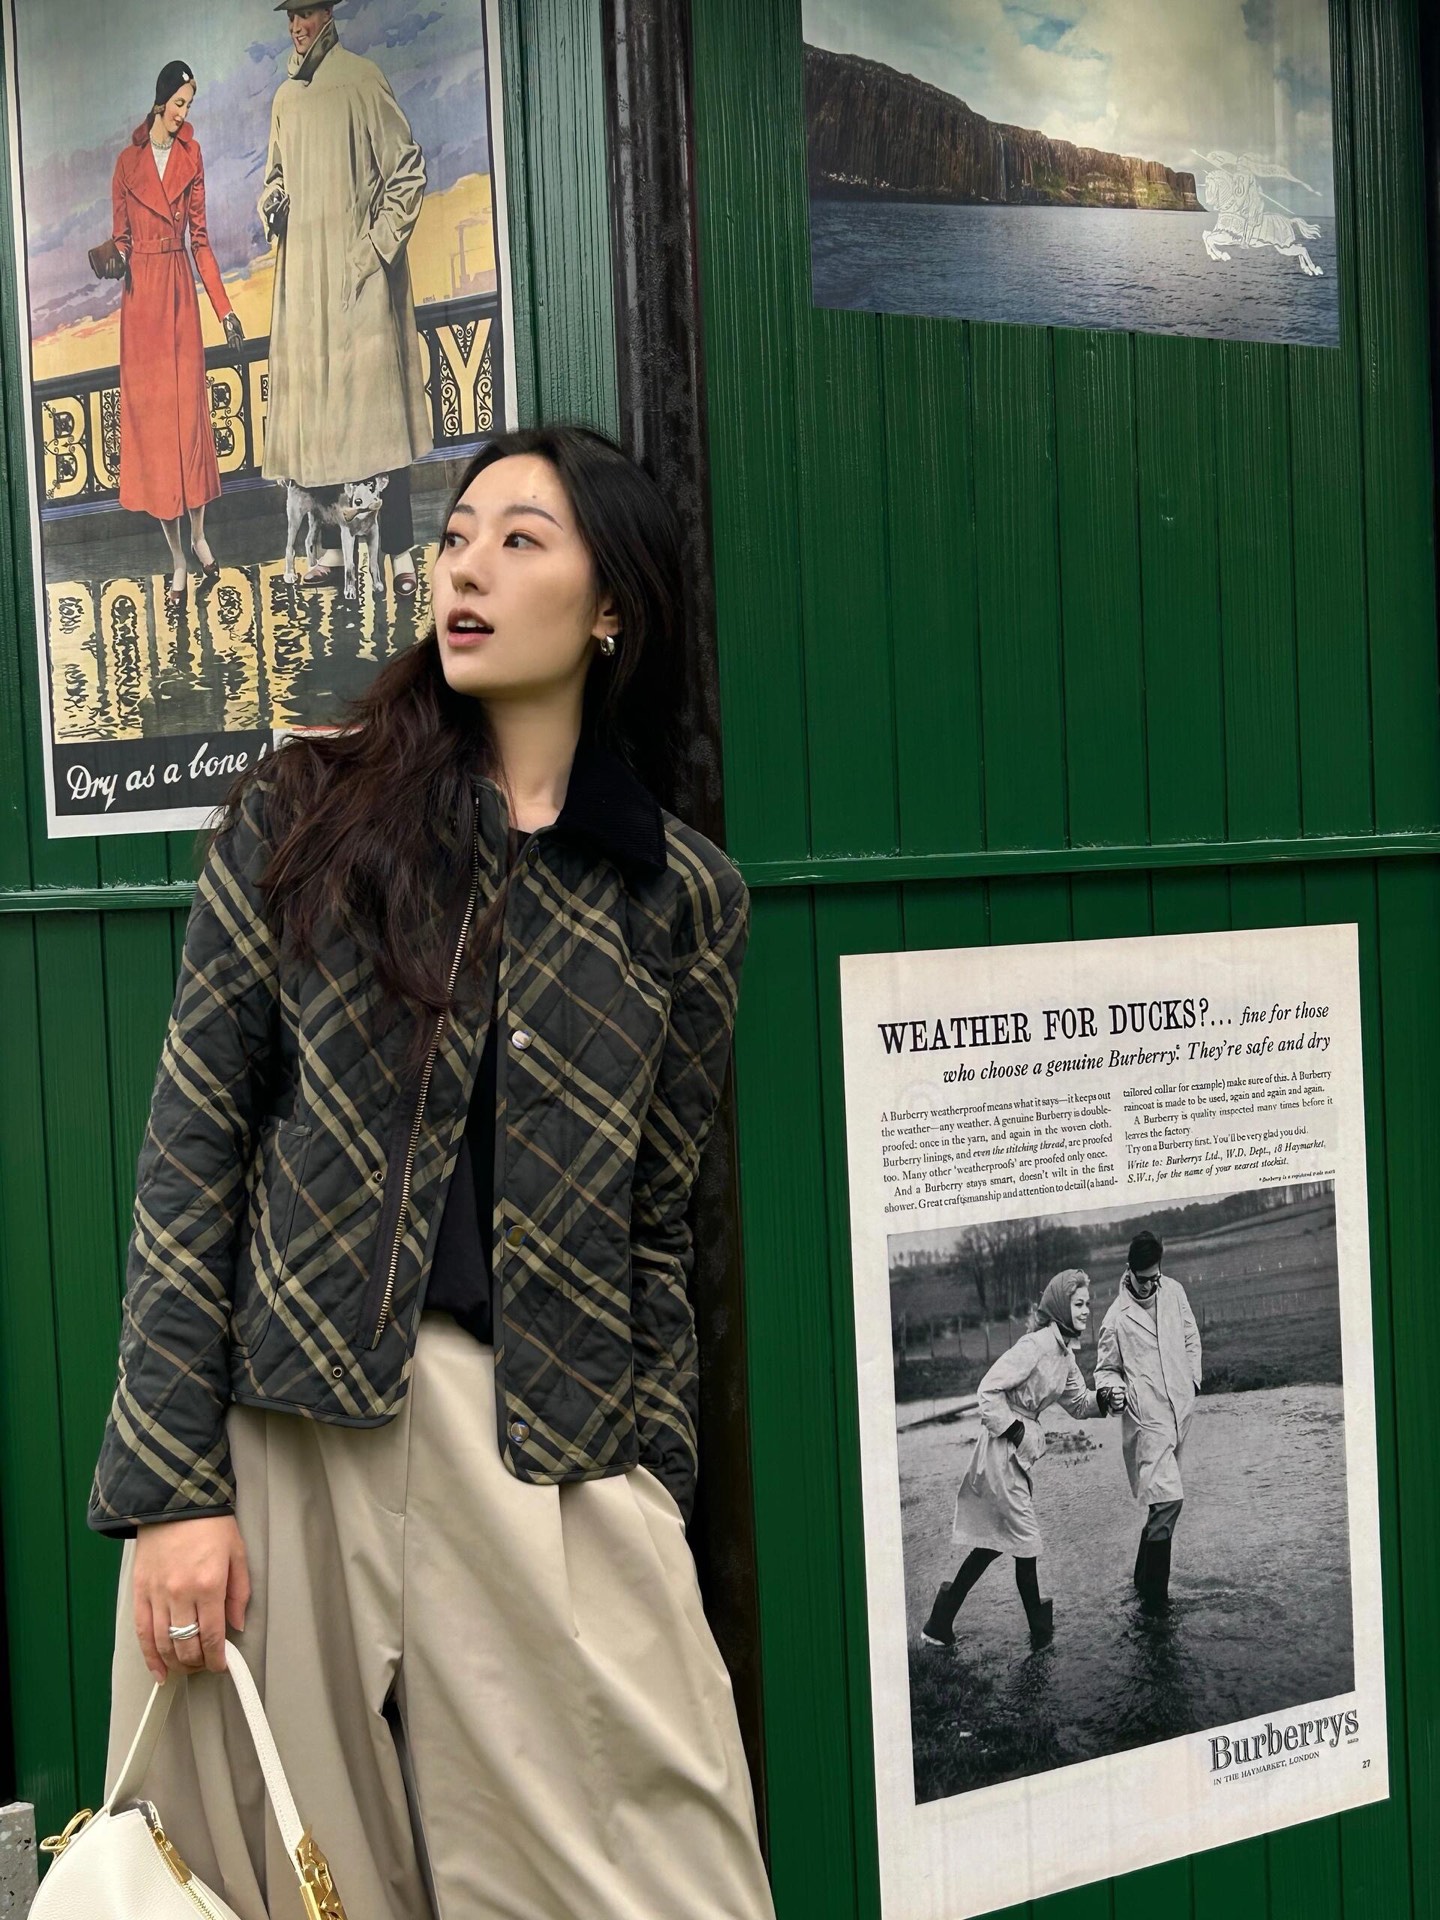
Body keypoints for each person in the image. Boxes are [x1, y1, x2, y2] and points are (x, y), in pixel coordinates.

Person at [89, 425, 776, 1920]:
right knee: (285, 1883)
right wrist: (170, 1491)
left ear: (612, 608)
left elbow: (657, 1230)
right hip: (294, 1433)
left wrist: (650, 1493)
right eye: (457, 536)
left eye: (521, 540)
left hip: (551, 1451)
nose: (467, 567)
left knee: (672, 1881)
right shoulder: (304, 812)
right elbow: (192, 1149)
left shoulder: (681, 899)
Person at [259, 2, 431, 598]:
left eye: (305, 13)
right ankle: (331, 552)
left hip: (359, 278)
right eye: (291, 17)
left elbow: (407, 172)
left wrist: (373, 252)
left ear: (327, 14)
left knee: (375, 415)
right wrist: (273, 203)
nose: (296, 27)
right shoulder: (285, 100)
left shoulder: (361, 78)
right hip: (306, 284)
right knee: (322, 413)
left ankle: (401, 553)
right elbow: (274, 177)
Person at [921, 1270, 1122, 1651]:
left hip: (1016, 1454)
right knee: (1026, 1542)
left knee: (997, 1541)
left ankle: (940, 1622)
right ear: (1061, 1306)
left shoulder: (1064, 1354)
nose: (1086, 1311)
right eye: (1079, 1304)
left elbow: (1080, 1403)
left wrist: (1104, 1399)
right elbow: (987, 1391)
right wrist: (1015, 1431)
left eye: (1088, 1304)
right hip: (1001, 1451)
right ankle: (1041, 1636)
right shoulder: (1034, 1347)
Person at [111, 60, 245, 614]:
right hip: (142, 305)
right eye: (180, 103)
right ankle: (178, 561)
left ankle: (199, 536)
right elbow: (121, 237)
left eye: (190, 104)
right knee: (158, 437)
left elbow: (202, 241)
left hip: (181, 302)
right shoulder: (127, 163)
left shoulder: (193, 155)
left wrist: (225, 311)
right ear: (162, 100)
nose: (185, 113)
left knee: (190, 425)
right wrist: (115, 256)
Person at [1095, 1229, 1203, 1610]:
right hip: (1147, 1421)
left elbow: (1191, 1337)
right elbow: (1105, 1370)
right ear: (1129, 1271)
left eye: (1156, 1277)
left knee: (1160, 1505)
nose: (1151, 1286)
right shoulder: (1115, 1319)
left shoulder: (1174, 1292)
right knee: (1169, 1500)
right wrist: (1113, 1391)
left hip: (1179, 1411)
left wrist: (1193, 1380)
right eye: (1144, 1280)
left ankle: (1141, 1586)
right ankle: (1157, 1605)